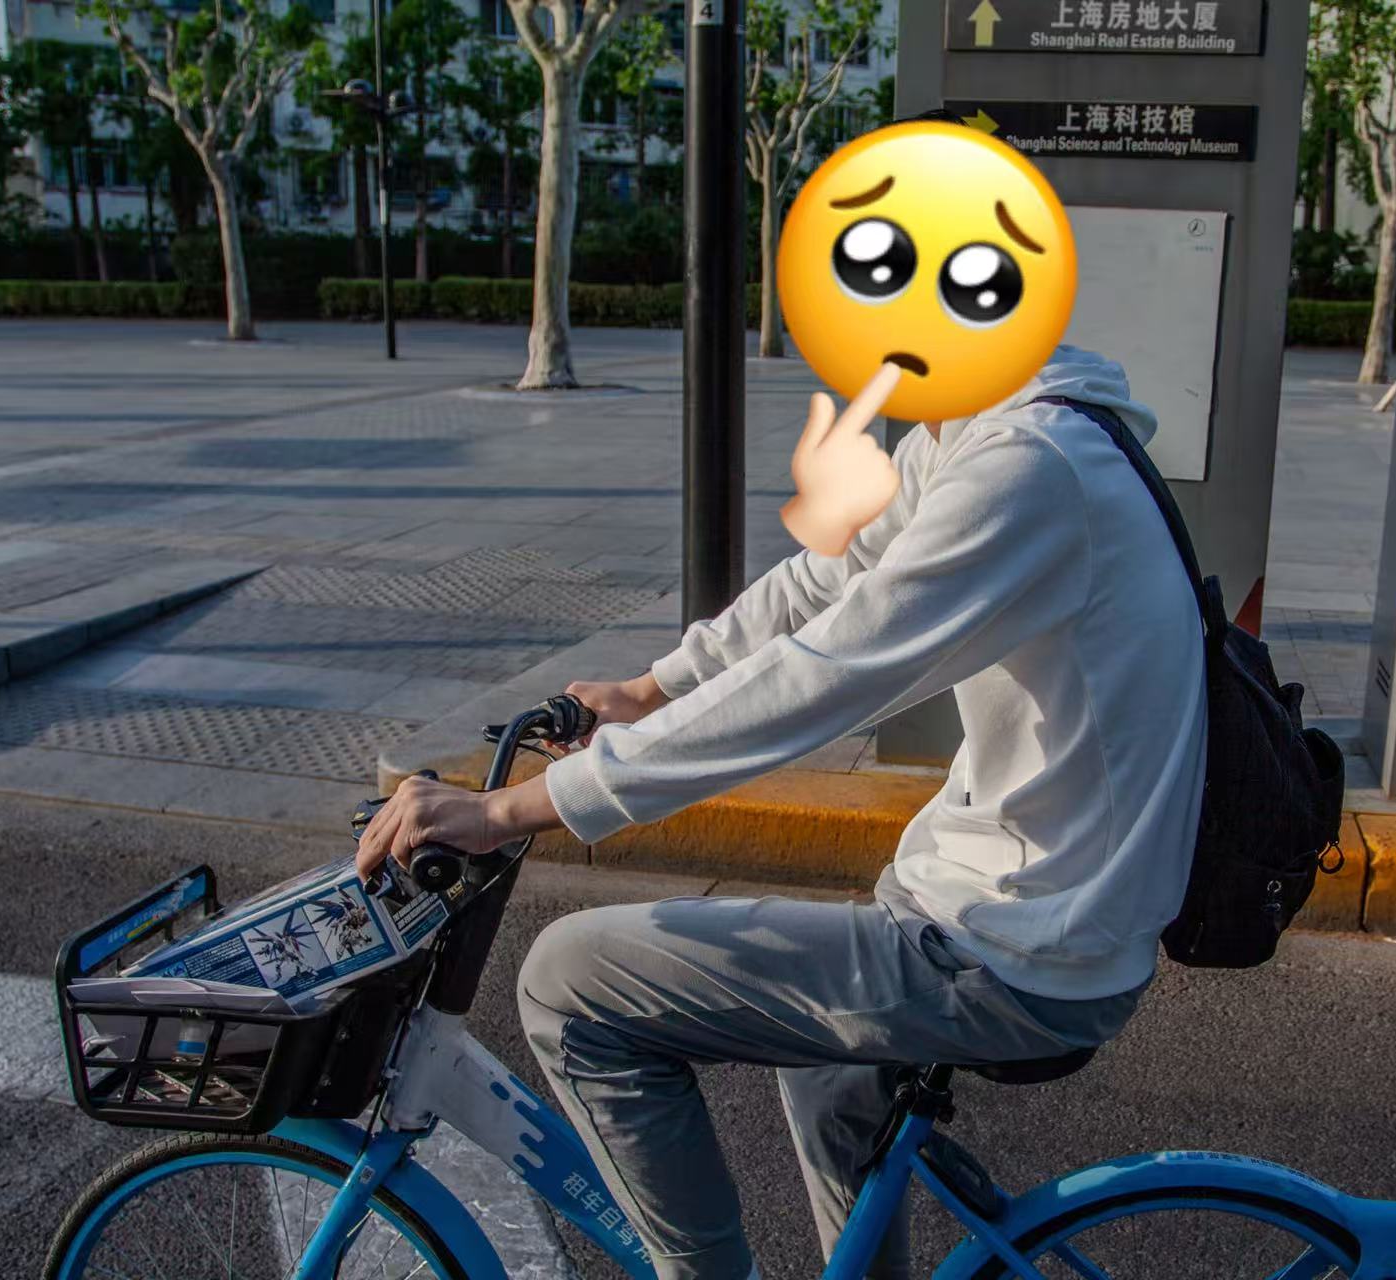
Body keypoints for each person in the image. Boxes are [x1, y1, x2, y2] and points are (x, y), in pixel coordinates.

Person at [355, 344, 1207, 1280]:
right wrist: (651, 688)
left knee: (568, 979)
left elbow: (827, 674)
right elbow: (829, 581)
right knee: (831, 1077)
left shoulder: (1028, 465)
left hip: (1021, 947)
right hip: (1010, 904)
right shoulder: (976, 430)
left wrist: (510, 809)